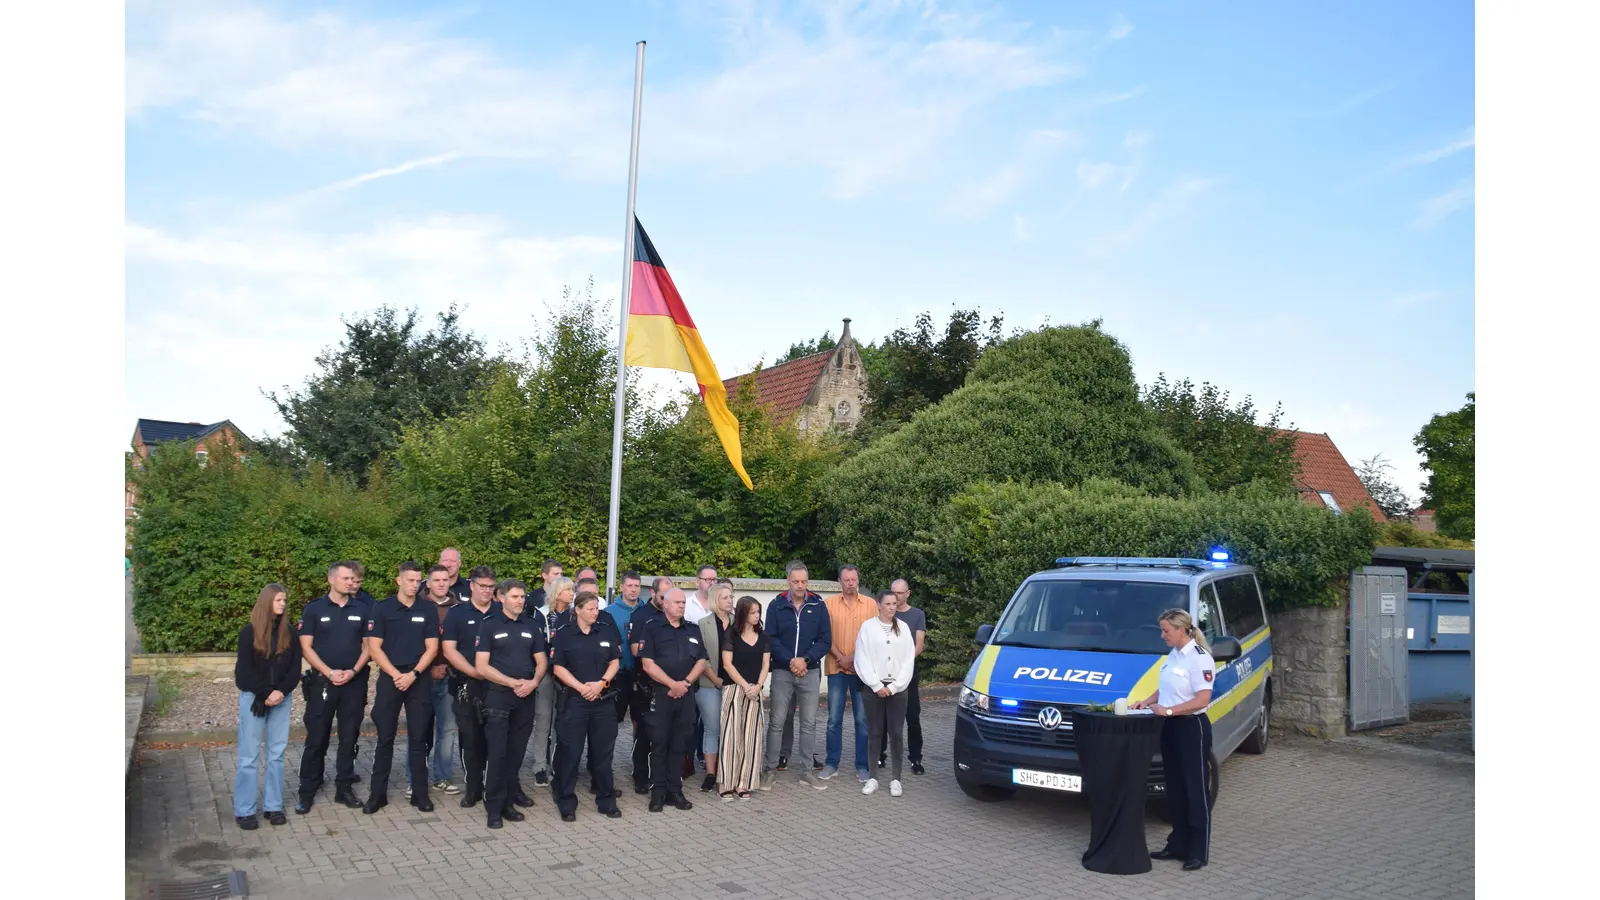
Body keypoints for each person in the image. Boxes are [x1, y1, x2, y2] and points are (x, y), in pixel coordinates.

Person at [1132, 609, 1217, 871]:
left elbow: (1202, 699)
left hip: (1191, 727)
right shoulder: (1174, 655)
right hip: (1170, 727)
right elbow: (1167, 687)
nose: (1162, 635)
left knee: (1195, 789)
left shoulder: (1200, 659)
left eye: (1166, 631)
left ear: (1181, 630)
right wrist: (1148, 701)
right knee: (1176, 789)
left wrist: (1170, 711)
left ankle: (1198, 851)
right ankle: (1177, 844)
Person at [295, 562, 373, 813]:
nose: (351, 582)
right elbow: (306, 647)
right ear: (331, 580)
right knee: (316, 737)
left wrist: (353, 671)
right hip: (322, 683)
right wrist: (329, 672)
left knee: (349, 737)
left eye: (353, 579)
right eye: (345, 578)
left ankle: (344, 787)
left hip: (354, 683)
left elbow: (369, 646)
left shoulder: (362, 608)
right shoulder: (314, 609)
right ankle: (307, 790)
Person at [364, 561, 441, 814]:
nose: (414, 584)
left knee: (418, 738)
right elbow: (374, 647)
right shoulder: (382, 608)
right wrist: (398, 675)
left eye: (418, 580)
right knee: (385, 737)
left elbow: (432, 647)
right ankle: (378, 795)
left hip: (418, 679)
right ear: (399, 580)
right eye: (409, 580)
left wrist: (414, 674)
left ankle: (420, 795)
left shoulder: (428, 609)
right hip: (390, 678)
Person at [475, 578, 548, 828]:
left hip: (525, 697)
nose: (520, 601)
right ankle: (493, 807)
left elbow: (541, 661)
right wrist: (511, 682)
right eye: (515, 597)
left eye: (522, 597)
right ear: (501, 598)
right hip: (499, 697)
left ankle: (507, 803)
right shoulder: (489, 625)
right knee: (497, 755)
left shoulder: (532, 625)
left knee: (516, 754)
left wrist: (533, 682)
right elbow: (481, 666)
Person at [550, 590, 623, 821]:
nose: (595, 613)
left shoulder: (605, 630)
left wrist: (602, 684)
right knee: (570, 753)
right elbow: (557, 667)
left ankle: (606, 800)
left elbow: (614, 661)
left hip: (603, 701)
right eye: (590, 609)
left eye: (597, 609)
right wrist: (582, 688)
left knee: (603, 754)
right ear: (578, 610)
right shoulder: (563, 634)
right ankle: (566, 801)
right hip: (574, 701)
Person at [233, 583, 301, 829]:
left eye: (284, 600)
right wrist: (265, 693)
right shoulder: (248, 633)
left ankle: (273, 806)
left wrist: (280, 692)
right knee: (249, 756)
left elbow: (294, 670)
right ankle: (245, 809)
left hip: (281, 700)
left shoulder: (291, 634)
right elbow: (244, 672)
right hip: (254, 699)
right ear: (266, 602)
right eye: (278, 600)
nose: (282, 604)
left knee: (276, 755)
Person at [761, 561, 830, 791]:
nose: (800, 585)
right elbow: (770, 637)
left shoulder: (818, 604)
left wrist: (806, 660)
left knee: (809, 723)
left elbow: (825, 640)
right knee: (777, 721)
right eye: (796, 581)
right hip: (783, 670)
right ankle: (769, 770)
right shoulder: (776, 605)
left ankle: (807, 772)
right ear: (788, 581)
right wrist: (791, 660)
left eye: (804, 581)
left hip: (809, 672)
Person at [638, 588, 707, 812]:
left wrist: (684, 683)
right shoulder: (652, 628)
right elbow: (647, 664)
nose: (681, 606)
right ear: (664, 604)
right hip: (661, 694)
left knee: (679, 745)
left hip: (685, 695)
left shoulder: (693, 630)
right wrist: (671, 684)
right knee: (659, 744)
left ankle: (674, 791)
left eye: (683, 603)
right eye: (676, 602)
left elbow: (701, 661)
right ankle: (658, 792)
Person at [442, 565, 498, 808]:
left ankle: (499, 785)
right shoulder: (457, 613)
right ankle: (473, 788)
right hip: (467, 684)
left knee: (497, 740)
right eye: (482, 586)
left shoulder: (502, 611)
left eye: (490, 587)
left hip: (498, 686)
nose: (486, 591)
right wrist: (473, 671)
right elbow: (449, 649)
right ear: (471, 586)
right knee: (471, 740)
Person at [403, 564, 460, 798]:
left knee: (447, 729)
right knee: (418, 730)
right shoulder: (416, 606)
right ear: (427, 583)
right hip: (421, 678)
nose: (441, 584)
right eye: (436, 580)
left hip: (449, 677)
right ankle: (414, 779)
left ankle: (442, 777)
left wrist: (447, 666)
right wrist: (426, 670)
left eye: (445, 580)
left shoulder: (458, 608)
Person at [855, 589, 916, 798]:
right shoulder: (868, 628)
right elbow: (861, 658)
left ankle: (896, 779)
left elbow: (909, 660)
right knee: (874, 732)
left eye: (894, 604)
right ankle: (872, 777)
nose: (891, 607)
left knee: (897, 733)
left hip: (898, 689)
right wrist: (875, 684)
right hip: (874, 689)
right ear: (879, 605)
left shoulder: (904, 628)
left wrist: (894, 686)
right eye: (888, 604)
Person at [821, 565, 877, 783]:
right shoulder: (828, 604)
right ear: (839, 581)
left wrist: (854, 658)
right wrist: (841, 658)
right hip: (836, 668)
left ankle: (862, 765)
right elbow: (824, 634)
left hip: (862, 671)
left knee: (862, 720)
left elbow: (873, 636)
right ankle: (831, 763)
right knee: (833, 719)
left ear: (858, 580)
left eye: (854, 579)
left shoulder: (871, 605)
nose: (851, 583)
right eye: (847, 580)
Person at [718, 595, 769, 800]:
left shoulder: (764, 637)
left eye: (759, 612)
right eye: (753, 612)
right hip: (734, 689)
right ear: (743, 613)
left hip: (754, 692)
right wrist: (745, 685)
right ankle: (725, 783)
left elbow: (766, 665)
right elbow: (727, 664)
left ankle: (743, 783)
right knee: (731, 737)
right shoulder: (731, 634)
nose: (757, 616)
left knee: (751, 739)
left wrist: (758, 686)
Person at [622, 575, 670, 793]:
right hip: (645, 683)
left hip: (669, 683)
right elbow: (635, 650)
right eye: (663, 596)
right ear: (652, 593)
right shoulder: (641, 616)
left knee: (665, 732)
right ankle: (640, 774)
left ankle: (661, 773)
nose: (667, 601)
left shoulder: (673, 615)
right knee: (643, 731)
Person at [876, 578, 927, 775]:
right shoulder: (885, 614)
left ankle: (916, 759)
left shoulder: (917, 615)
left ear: (908, 593)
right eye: (893, 593)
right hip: (885, 674)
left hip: (908, 673)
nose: (896, 597)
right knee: (884, 717)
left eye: (900, 593)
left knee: (912, 716)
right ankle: (880, 755)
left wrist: (902, 664)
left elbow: (919, 645)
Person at [531, 576, 573, 786]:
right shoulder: (541, 614)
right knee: (543, 720)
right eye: (567, 590)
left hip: (567, 676)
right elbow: (537, 645)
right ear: (558, 592)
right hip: (545, 674)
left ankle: (557, 764)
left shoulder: (575, 615)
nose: (572, 593)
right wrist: (548, 668)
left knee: (562, 721)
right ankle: (539, 766)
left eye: (572, 590)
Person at [694, 581, 734, 792]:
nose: (730, 601)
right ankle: (711, 773)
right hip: (709, 684)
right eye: (725, 597)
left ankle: (728, 770)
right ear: (715, 600)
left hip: (734, 685)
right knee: (712, 728)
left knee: (731, 728)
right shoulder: (703, 624)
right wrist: (714, 678)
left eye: (731, 597)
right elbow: (701, 656)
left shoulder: (738, 623)